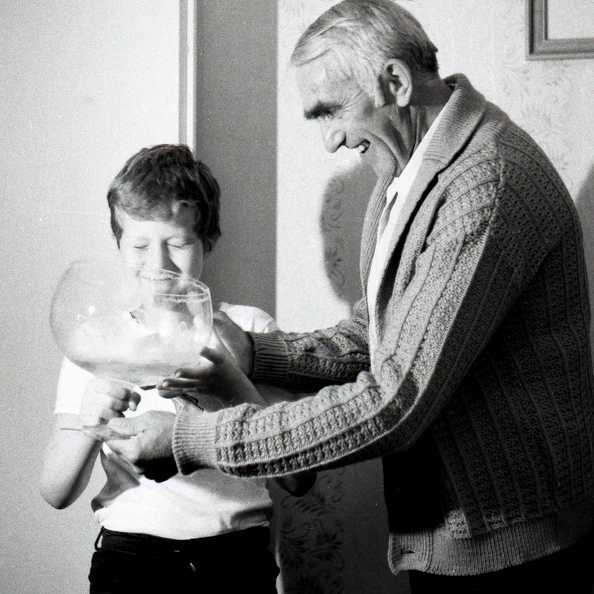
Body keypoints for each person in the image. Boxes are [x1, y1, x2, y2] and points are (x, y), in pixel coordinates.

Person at [107, 1, 594, 592]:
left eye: (331, 111)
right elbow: (379, 333)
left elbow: (395, 402)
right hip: (464, 537)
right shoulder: (412, 171)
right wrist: (260, 353)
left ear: (395, 82)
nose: (330, 140)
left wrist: (191, 440)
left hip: (512, 552)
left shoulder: (483, 185)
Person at [41, 144, 313, 594]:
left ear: (208, 241)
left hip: (237, 559)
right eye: (139, 245)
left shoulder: (250, 333)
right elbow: (56, 491)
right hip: (130, 561)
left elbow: (299, 477)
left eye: (178, 243)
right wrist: (89, 423)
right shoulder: (95, 343)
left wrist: (232, 387)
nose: (158, 265)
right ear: (118, 244)